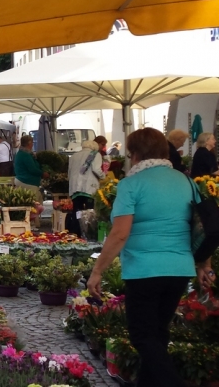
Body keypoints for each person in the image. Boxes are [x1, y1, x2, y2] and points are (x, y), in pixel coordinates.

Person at [87, 128, 203, 387]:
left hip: (144, 269)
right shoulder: (185, 181)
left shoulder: (131, 184)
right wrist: (204, 263)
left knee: (142, 335)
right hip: (180, 268)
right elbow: (199, 225)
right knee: (158, 334)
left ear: (135, 153)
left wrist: (97, 271)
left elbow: (119, 234)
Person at [68, 140, 105, 236]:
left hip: (75, 188)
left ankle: (76, 233)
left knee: (77, 211)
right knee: (90, 212)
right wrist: (104, 176)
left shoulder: (74, 156)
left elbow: (69, 172)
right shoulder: (95, 154)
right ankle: (89, 233)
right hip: (89, 187)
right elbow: (96, 169)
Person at [13, 135, 43, 202]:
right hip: (27, 182)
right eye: (32, 143)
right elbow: (32, 169)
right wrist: (42, 173)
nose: (32, 144)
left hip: (24, 181)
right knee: (34, 205)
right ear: (29, 143)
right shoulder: (25, 155)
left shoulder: (22, 153)